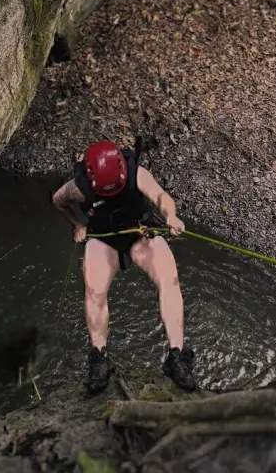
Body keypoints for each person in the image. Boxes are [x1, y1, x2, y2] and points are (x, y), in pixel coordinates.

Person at [52, 140, 196, 394]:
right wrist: (77, 225)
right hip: (104, 238)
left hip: (140, 233)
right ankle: (99, 356)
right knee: (94, 290)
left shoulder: (136, 174)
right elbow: (57, 201)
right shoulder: (77, 188)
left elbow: (160, 196)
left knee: (169, 278)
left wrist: (170, 215)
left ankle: (177, 355)